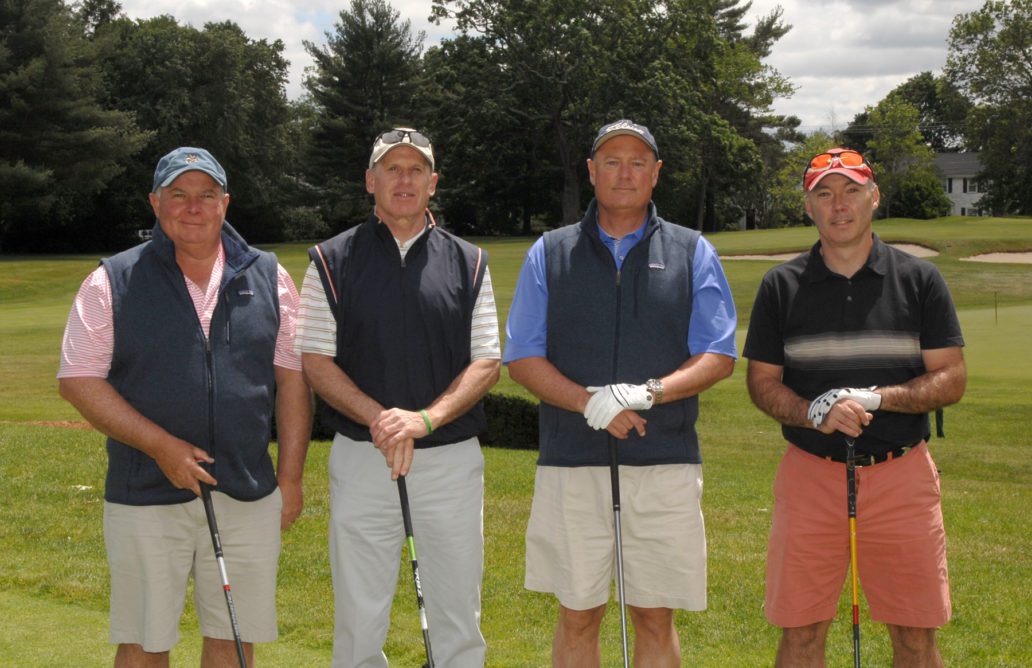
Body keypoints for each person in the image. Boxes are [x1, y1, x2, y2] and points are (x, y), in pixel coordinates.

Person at [58, 146, 313, 667]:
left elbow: (293, 383)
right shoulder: (113, 279)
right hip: (146, 492)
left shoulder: (269, 276)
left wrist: (290, 479)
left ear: (225, 203)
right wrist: (161, 446)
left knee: (234, 640)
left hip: (246, 491)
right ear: (155, 203)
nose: (193, 207)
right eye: (178, 194)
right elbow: (78, 380)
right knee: (144, 642)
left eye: (206, 194)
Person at [505, 119, 738, 666]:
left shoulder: (691, 250)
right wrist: (590, 403)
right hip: (571, 460)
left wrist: (646, 393)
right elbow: (522, 357)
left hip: (663, 461)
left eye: (638, 162)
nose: (625, 173)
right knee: (578, 613)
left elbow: (718, 353)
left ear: (656, 173)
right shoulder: (550, 252)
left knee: (654, 615)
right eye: (612, 161)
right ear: (591, 171)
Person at [743, 147, 967, 667]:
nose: (838, 205)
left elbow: (951, 377)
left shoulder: (919, 279)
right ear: (809, 207)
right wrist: (812, 412)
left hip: (901, 475)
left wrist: (879, 398)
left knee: (915, 636)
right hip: (810, 476)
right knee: (801, 631)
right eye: (824, 194)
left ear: (874, 197)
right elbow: (761, 383)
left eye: (851, 191)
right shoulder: (781, 285)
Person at [297, 127, 500, 667]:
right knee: (359, 618)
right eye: (392, 169)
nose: (404, 180)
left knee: (457, 616)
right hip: (363, 456)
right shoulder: (329, 260)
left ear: (433, 183)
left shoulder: (470, 262)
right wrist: (383, 420)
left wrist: (425, 420)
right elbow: (315, 360)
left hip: (449, 460)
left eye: (416, 170)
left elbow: (486, 361)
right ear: (371, 180)